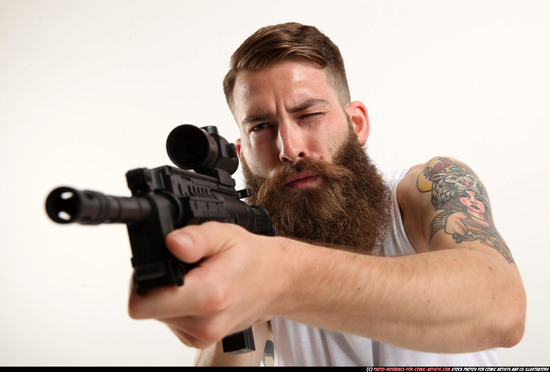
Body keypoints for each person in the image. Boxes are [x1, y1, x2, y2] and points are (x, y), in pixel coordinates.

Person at [128, 22, 526, 366]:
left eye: (309, 115)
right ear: (239, 153)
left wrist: (279, 272)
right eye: (261, 127)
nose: (289, 147)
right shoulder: (251, 240)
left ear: (357, 123)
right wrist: (219, 298)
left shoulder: (427, 186)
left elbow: (502, 308)